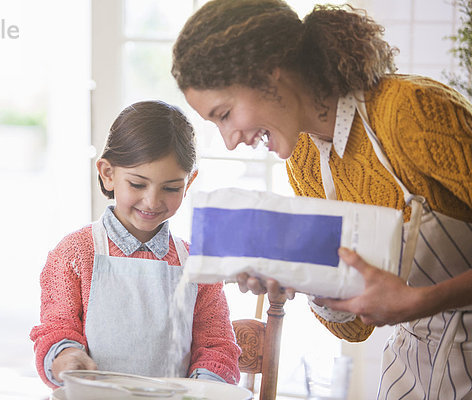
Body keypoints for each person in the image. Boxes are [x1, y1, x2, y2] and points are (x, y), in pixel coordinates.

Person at [171, 0, 472, 398]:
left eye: (224, 114)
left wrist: (421, 301)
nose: (229, 141)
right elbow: (356, 328)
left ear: (269, 73)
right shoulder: (305, 159)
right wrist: (302, 279)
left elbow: (409, 302)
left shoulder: (409, 112)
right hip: (414, 369)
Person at [29, 100, 240, 389]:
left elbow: (217, 347)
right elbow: (56, 329)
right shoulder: (74, 254)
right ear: (107, 173)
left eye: (171, 188)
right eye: (138, 184)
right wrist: (65, 356)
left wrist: (202, 390)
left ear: (189, 183)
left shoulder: (197, 265)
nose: (152, 201)